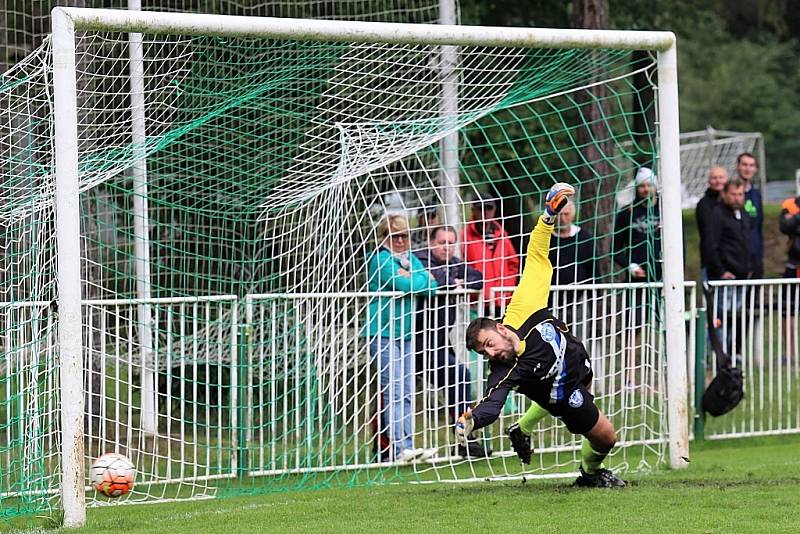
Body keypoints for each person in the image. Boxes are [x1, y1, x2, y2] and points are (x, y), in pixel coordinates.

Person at [455, 183, 625, 488]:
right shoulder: (502, 371)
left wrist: (547, 215)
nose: (490, 354)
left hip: (577, 361)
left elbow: (535, 256)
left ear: (502, 329)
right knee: (605, 438)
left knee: (571, 385)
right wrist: (472, 420)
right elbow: (492, 403)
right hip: (562, 395)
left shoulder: (523, 307)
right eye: (483, 354)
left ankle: (521, 427)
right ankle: (589, 474)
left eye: (489, 345)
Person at [365, 214, 438, 463]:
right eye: (394, 236)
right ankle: (396, 448)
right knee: (393, 390)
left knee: (407, 390)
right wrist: (415, 280)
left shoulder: (411, 259)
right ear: (385, 237)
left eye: (404, 236)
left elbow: (432, 286)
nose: (400, 241)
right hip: (383, 332)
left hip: (406, 334)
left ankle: (406, 446)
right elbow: (405, 285)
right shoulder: (380, 260)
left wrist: (415, 279)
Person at [415, 225, 491, 458]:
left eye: (450, 242)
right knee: (393, 391)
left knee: (459, 376)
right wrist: (452, 281)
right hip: (411, 342)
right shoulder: (419, 259)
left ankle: (465, 438)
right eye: (441, 242)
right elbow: (433, 279)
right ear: (430, 242)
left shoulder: (455, 263)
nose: (446, 247)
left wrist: (453, 280)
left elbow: (477, 278)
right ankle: (386, 448)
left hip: (436, 343)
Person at [703, 178, 753, 358]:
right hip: (724, 278)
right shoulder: (717, 214)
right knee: (721, 317)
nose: (737, 198)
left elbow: (747, 243)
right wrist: (721, 270)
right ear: (724, 194)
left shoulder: (743, 215)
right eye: (734, 194)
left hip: (742, 276)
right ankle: (720, 355)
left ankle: (733, 353)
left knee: (737, 317)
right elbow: (711, 245)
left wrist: (749, 268)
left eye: (740, 195)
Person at [462, 192, 519, 312]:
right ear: (473, 210)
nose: (485, 212)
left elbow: (513, 263)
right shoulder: (465, 236)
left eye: (489, 208)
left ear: (494, 210)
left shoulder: (502, 234)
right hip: (477, 300)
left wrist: (507, 287)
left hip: (501, 300)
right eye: (481, 208)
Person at [613, 167, 662, 282]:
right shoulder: (627, 213)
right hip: (636, 281)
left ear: (655, 187)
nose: (646, 189)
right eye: (641, 186)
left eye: (649, 185)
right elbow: (615, 249)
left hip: (664, 278)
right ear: (636, 188)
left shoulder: (666, 211)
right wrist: (631, 266)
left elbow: (680, 245)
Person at [778, 195, 800, 362]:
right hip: (794, 265)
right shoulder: (790, 204)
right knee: (789, 310)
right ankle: (790, 353)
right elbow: (786, 225)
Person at [735, 152, 764, 278]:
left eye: (751, 165)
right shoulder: (731, 194)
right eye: (744, 164)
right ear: (738, 167)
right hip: (737, 256)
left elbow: (759, 225)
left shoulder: (756, 194)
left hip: (755, 254)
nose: (748, 168)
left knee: (753, 296)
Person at [696, 166, 728, 277]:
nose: (718, 181)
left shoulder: (731, 203)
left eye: (721, 177)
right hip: (712, 266)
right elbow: (708, 236)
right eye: (714, 178)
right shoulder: (704, 205)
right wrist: (719, 269)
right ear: (709, 181)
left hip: (733, 264)